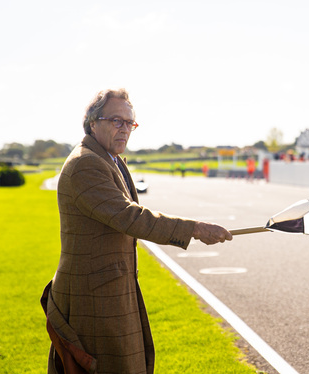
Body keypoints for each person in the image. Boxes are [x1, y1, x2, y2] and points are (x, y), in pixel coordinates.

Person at [40, 88, 232, 374]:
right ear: (93, 123)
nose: (125, 129)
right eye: (116, 121)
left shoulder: (109, 158)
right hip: (93, 296)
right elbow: (130, 217)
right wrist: (194, 228)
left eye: (130, 123)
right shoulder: (85, 164)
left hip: (112, 288)